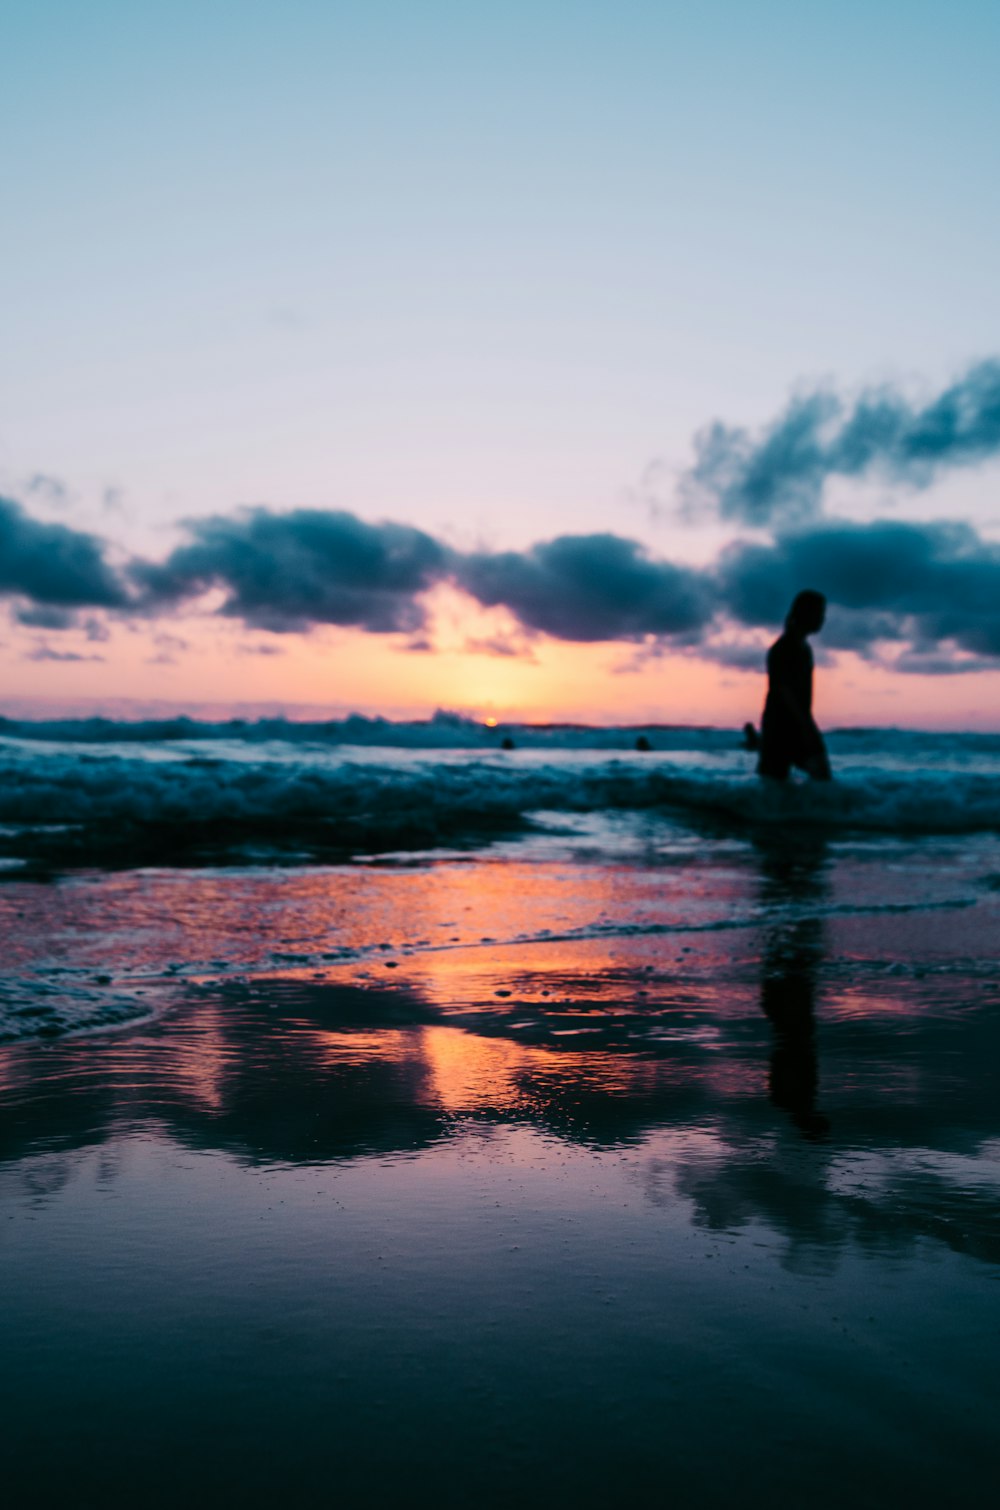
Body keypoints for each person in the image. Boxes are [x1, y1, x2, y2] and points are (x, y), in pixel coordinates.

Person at [758, 589, 831, 782]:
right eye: (820, 613)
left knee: (820, 777)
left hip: (796, 721)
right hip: (781, 725)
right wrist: (805, 725)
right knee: (774, 784)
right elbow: (783, 691)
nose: (823, 619)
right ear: (806, 613)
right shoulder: (783, 648)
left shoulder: (804, 649)